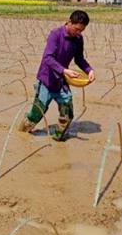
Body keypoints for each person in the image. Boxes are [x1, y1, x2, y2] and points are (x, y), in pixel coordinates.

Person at [18, 10, 95, 141]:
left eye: (81, 31)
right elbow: (48, 58)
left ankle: (58, 139)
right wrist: (65, 70)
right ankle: (21, 134)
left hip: (61, 81)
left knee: (67, 114)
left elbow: (79, 58)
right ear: (69, 22)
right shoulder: (56, 34)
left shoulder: (78, 39)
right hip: (47, 80)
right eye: (76, 29)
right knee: (36, 114)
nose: (78, 33)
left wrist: (89, 70)